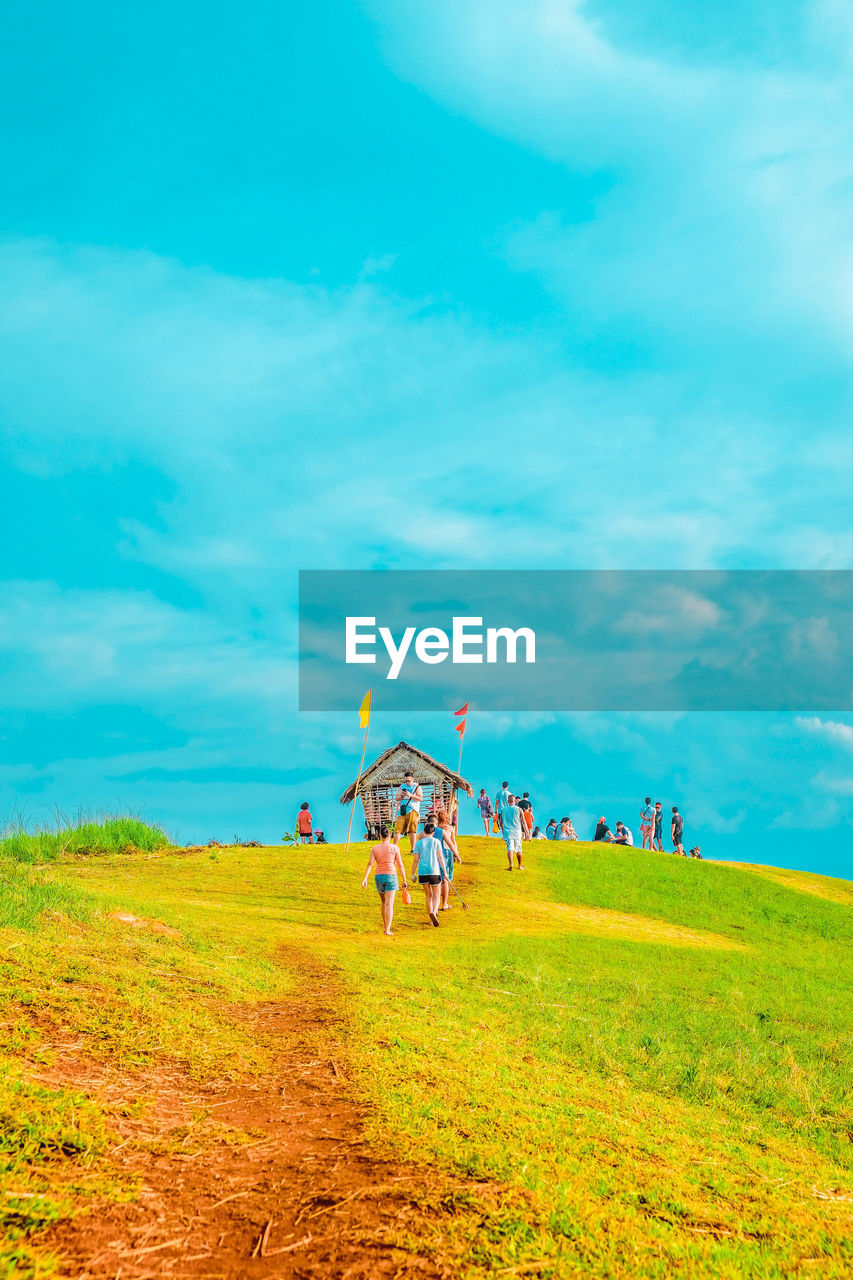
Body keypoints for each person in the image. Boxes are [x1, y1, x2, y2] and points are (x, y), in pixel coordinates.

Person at [361, 827, 408, 936]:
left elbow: (370, 864)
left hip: (379, 876)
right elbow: (400, 865)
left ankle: (385, 926)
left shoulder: (375, 848)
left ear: (380, 835)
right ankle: (387, 929)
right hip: (391, 875)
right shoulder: (394, 848)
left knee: (384, 902)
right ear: (390, 836)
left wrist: (365, 878)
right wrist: (404, 879)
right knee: (389, 904)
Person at [411, 820, 447, 927]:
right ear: (433, 832)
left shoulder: (418, 843)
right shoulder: (436, 841)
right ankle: (434, 912)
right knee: (436, 895)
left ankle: (430, 916)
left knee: (428, 895)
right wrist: (445, 872)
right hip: (434, 871)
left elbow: (416, 859)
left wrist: (413, 873)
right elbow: (440, 857)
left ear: (424, 831)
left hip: (422, 871)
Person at [434, 807, 460, 911]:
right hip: (447, 852)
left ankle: (437, 902)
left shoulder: (435, 829)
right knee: (446, 879)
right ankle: (444, 903)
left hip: (436, 853)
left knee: (439, 879)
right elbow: (453, 843)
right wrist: (457, 855)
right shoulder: (449, 829)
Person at [394, 772, 423, 852]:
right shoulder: (401, 786)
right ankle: (394, 848)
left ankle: (412, 849)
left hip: (413, 809)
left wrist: (411, 795)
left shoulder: (417, 787)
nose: (407, 782)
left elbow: (420, 798)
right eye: (406, 781)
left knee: (412, 830)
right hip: (403, 809)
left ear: (413, 779)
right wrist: (402, 796)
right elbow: (396, 798)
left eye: (409, 781)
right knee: (397, 830)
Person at [502, 793, 525, 871]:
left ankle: (511, 864)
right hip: (517, 832)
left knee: (510, 848)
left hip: (508, 832)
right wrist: (527, 832)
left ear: (508, 801)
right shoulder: (519, 809)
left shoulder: (503, 810)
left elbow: (501, 822)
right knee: (518, 849)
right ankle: (520, 865)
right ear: (515, 801)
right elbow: (523, 821)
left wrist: (502, 830)